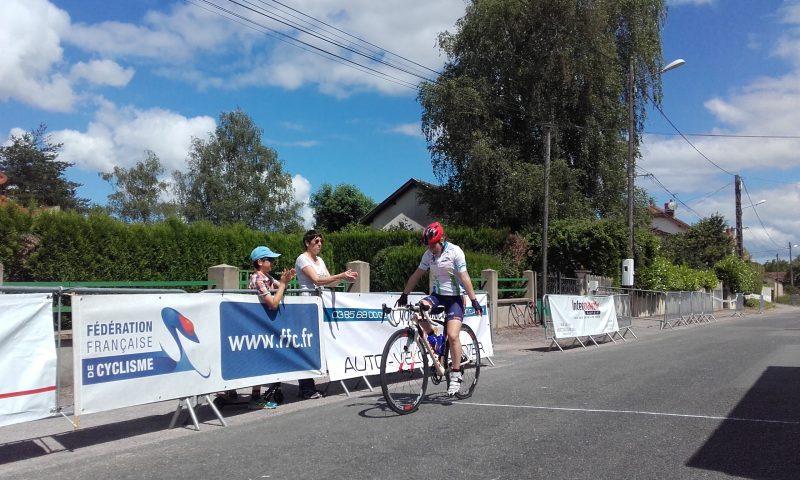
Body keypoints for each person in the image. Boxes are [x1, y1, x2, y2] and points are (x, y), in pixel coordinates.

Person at [397, 222, 483, 397]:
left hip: (455, 299)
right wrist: (405, 294)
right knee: (417, 310)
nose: (431, 248)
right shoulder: (428, 255)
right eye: (428, 245)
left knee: (452, 336)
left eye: (433, 244)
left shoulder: (455, 252)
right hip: (437, 295)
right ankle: (434, 339)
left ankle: (456, 373)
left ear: (442, 239)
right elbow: (417, 274)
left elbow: (464, 277)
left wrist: (474, 300)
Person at [294, 229, 359, 399]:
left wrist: (345, 278)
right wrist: (341, 274)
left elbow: (329, 281)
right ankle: (306, 388)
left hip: (319, 304)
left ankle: (311, 384)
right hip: (307, 305)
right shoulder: (302, 259)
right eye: (316, 241)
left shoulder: (320, 260)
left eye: (321, 241)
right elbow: (317, 280)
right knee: (307, 345)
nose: (319, 244)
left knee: (318, 344)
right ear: (307, 243)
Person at [247, 245, 296, 409]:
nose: (274, 262)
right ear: (260, 262)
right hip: (257, 325)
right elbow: (274, 303)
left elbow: (281, 288)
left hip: (265, 325)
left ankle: (256, 396)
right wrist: (282, 284)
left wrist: (285, 281)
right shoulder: (258, 279)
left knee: (260, 360)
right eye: (271, 259)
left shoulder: (266, 276)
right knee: (256, 360)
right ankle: (254, 399)